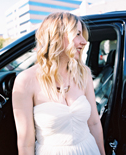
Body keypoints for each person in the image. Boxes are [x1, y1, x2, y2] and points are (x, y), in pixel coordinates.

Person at [11, 12, 106, 155]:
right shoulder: (26, 80)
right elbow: (26, 143)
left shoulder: (84, 73)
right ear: (56, 36)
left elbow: (93, 123)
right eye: (77, 34)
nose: (84, 41)